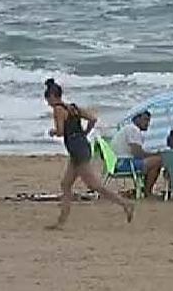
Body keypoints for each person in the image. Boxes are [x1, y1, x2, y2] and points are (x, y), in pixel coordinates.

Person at [43, 78, 134, 229]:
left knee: (94, 185)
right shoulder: (73, 108)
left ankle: (125, 204)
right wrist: (85, 132)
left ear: (52, 96)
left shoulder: (58, 110)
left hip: (77, 150)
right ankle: (61, 222)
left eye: (47, 100)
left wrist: (53, 132)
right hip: (80, 147)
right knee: (65, 184)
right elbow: (93, 119)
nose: (48, 103)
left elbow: (60, 131)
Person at [110, 110, 163, 197]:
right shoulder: (133, 129)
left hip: (118, 162)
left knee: (154, 160)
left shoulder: (128, 129)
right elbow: (137, 154)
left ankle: (145, 190)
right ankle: (147, 192)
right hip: (125, 163)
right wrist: (155, 155)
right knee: (158, 160)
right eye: (145, 120)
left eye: (148, 121)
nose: (147, 123)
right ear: (137, 119)